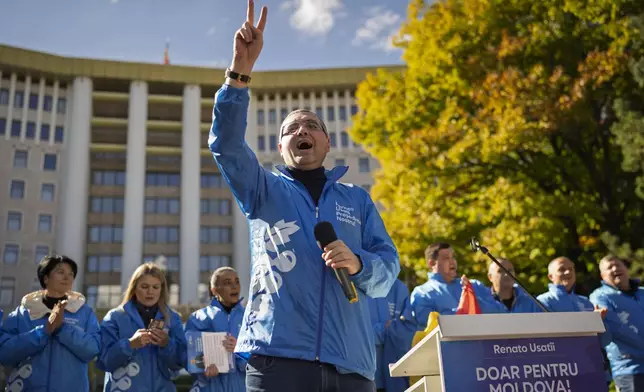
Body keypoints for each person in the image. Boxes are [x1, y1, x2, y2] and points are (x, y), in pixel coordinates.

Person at [208, 1, 400, 390]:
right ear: (281, 147)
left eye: (311, 125)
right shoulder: (263, 189)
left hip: (351, 365)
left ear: (327, 143)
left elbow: (388, 269)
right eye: (291, 129)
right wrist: (240, 73)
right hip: (278, 359)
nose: (301, 132)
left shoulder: (357, 201)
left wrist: (360, 265)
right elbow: (226, 144)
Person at [0, 254, 101, 391]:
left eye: (71, 274)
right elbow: (4, 353)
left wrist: (62, 329)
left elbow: (93, 349)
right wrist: (44, 331)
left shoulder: (84, 312)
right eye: (60, 272)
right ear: (45, 278)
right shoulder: (23, 313)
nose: (67, 277)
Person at [97, 263, 187, 392]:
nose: (150, 292)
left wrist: (167, 344)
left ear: (161, 290)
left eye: (155, 287)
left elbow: (181, 362)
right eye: (144, 286)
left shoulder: (172, 318)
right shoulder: (115, 317)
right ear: (134, 288)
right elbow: (104, 361)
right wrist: (130, 344)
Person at [410, 243, 506, 328]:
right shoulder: (421, 293)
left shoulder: (474, 285)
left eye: (453, 257)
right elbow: (428, 324)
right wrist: (465, 307)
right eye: (446, 258)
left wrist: (473, 299)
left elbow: (501, 311)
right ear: (432, 263)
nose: (453, 262)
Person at [184, 267, 246, 392]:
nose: (234, 286)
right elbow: (185, 356)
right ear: (214, 290)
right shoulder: (198, 318)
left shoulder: (250, 318)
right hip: (209, 387)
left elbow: (262, 358)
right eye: (228, 283)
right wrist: (202, 368)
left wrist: (240, 350)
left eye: (237, 282)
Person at [590, 255, 644, 392]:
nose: (615, 269)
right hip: (629, 369)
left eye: (618, 265)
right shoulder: (600, 296)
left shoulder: (642, 293)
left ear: (626, 269)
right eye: (609, 267)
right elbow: (615, 328)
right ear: (603, 276)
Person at [368, 279, 417, 392]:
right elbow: (354, 333)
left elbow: (409, 330)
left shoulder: (400, 288)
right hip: (365, 373)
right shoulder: (355, 283)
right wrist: (388, 329)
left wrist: (388, 329)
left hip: (396, 375)